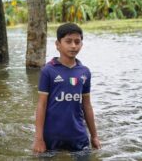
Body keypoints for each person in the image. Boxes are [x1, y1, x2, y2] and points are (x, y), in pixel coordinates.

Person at [33, 23, 101, 153]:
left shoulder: (85, 72)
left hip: (78, 135)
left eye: (77, 42)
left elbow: (87, 106)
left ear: (81, 44)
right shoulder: (48, 70)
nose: (73, 46)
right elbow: (41, 105)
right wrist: (39, 139)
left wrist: (94, 136)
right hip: (51, 137)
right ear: (58, 44)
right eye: (68, 41)